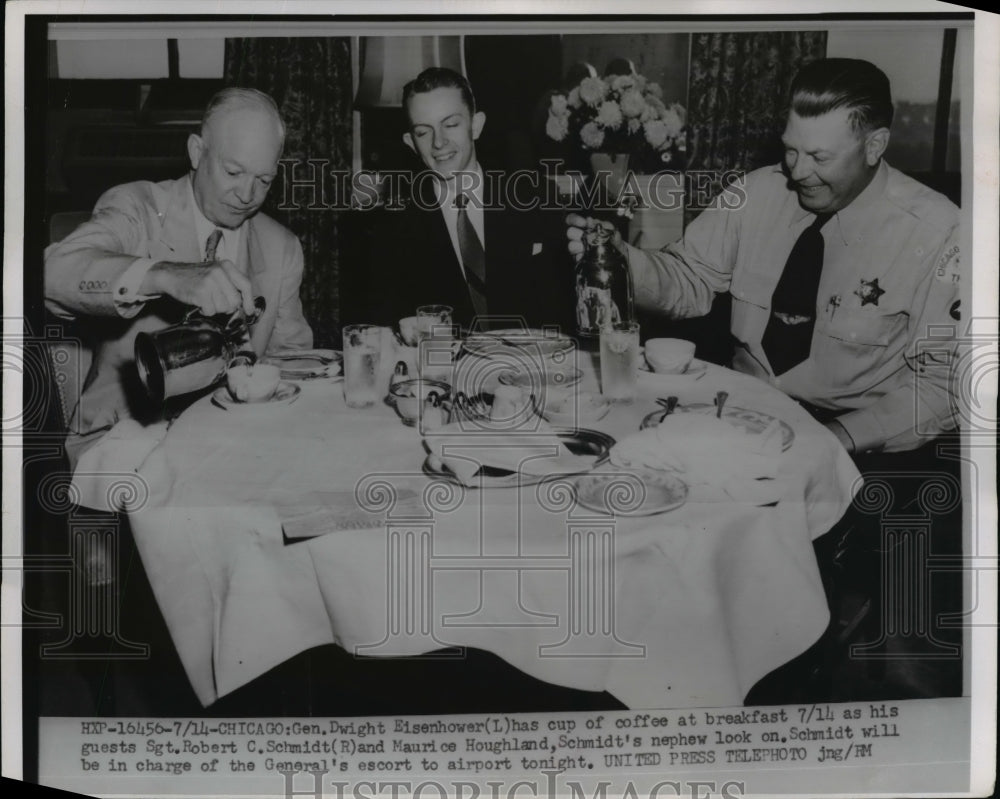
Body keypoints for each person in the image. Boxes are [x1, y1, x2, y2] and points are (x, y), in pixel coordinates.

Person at [568, 58, 961, 456]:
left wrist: (833, 441)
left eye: (820, 158)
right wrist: (622, 261)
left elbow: (942, 386)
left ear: (874, 146)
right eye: (791, 150)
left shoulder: (937, 231)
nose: (798, 171)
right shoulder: (756, 194)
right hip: (738, 417)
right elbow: (689, 278)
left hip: (854, 444)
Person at [45, 87, 313, 467]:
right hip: (125, 441)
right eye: (233, 172)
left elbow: (293, 362)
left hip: (234, 446)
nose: (247, 195)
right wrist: (164, 275)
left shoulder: (280, 246)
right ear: (196, 152)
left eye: (264, 180)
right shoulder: (138, 208)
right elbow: (50, 273)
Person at [367, 67, 575, 334]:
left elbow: (567, 310)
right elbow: (386, 328)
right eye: (423, 132)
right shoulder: (392, 225)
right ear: (410, 142)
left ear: (476, 125)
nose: (439, 142)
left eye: (451, 124)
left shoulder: (535, 197)